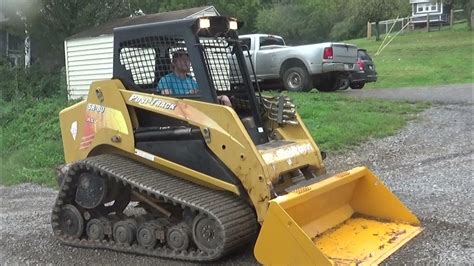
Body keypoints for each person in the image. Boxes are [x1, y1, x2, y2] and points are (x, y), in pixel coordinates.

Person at [157, 49, 232, 107]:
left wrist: (220, 97)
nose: (186, 62)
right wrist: (188, 96)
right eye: (182, 60)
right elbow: (167, 102)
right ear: (174, 63)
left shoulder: (192, 81)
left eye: (188, 59)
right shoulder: (166, 80)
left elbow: (203, 97)